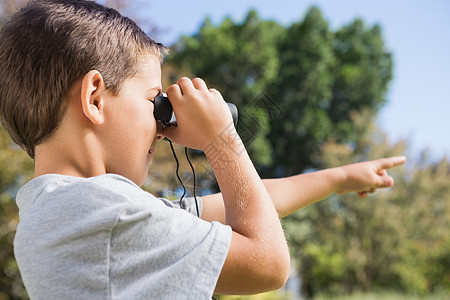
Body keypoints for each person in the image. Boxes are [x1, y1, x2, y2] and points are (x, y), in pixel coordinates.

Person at [0, 0, 406, 299]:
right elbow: (268, 265)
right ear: (94, 98)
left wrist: (338, 178)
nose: (163, 126)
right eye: (154, 102)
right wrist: (221, 139)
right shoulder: (104, 212)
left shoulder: (72, 209)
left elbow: (238, 205)